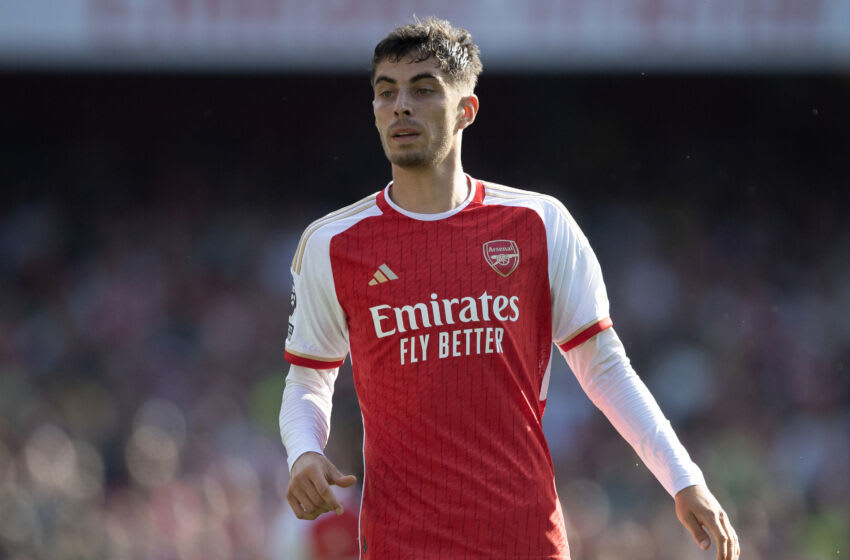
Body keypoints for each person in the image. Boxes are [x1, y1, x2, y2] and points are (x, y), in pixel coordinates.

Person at [280, 17, 740, 560]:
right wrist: (303, 452)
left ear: (466, 111)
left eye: (423, 90)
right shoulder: (334, 243)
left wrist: (683, 478)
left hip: (525, 538)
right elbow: (309, 377)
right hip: (400, 543)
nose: (400, 106)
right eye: (386, 93)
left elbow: (604, 366)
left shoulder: (539, 223)